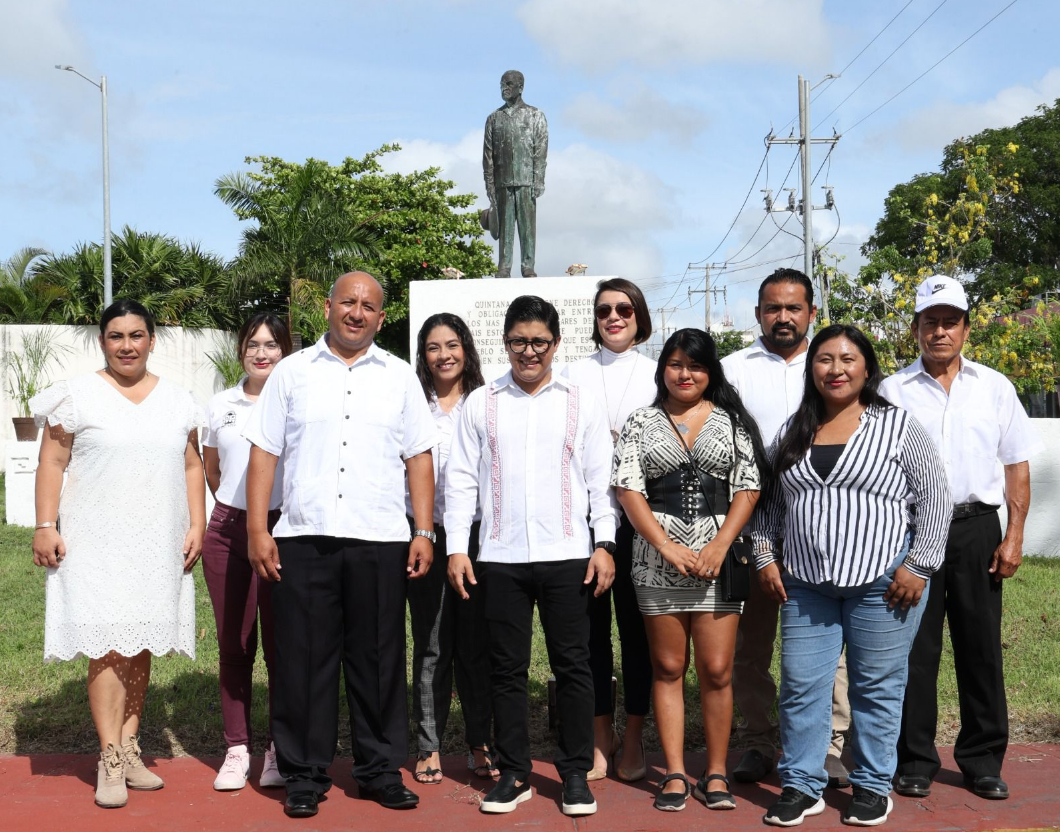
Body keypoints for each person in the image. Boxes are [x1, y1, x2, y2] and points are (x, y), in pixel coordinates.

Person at [243, 272, 438, 819]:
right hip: (304, 537)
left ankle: (378, 770)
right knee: (305, 659)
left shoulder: (399, 377)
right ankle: (304, 773)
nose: (357, 312)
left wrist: (423, 530)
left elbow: (419, 455)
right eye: (348, 302)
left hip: (379, 538)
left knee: (377, 658)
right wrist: (258, 529)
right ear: (328, 307)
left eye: (369, 306)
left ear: (382, 317)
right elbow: (265, 451)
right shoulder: (292, 372)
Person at [753, 325, 951, 827]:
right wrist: (763, 556)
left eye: (847, 359)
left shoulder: (898, 426)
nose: (835, 369)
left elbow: (934, 499)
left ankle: (871, 784)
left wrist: (918, 565)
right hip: (806, 584)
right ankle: (801, 783)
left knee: (876, 686)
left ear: (866, 368)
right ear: (811, 368)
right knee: (800, 685)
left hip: (884, 583)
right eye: (823, 359)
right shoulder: (793, 430)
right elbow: (771, 504)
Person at [445, 295, 617, 817]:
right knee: (506, 668)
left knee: (574, 665)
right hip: (500, 557)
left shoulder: (581, 400)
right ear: (505, 343)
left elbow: (599, 480)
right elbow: (461, 482)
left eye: (539, 342)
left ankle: (573, 774)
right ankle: (515, 772)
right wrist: (457, 547)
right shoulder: (481, 403)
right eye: (519, 341)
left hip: (569, 555)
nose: (529, 351)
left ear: (556, 344)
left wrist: (604, 544)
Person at [30, 299, 205, 809]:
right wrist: (45, 525)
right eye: (115, 336)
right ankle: (108, 755)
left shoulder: (179, 400)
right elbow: (52, 460)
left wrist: (196, 522)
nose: (126, 345)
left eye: (136, 335)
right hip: (94, 541)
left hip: (158, 540)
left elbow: (192, 465)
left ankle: (130, 746)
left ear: (152, 339)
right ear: (102, 341)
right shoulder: (75, 397)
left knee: (141, 641)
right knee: (107, 644)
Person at [883, 276, 1042, 802]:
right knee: (914, 650)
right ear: (916, 329)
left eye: (951, 321)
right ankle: (915, 761)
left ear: (966, 329)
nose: (941, 331)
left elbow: (1016, 464)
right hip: (911, 533)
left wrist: (1014, 536)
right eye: (931, 321)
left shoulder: (994, 387)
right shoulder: (890, 391)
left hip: (977, 530)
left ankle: (982, 760)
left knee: (979, 648)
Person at [613, 328, 765, 813]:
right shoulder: (640, 422)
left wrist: (721, 545)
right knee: (668, 667)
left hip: (718, 561)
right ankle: (676, 772)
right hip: (656, 562)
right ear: (663, 370)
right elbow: (628, 489)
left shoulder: (734, 422)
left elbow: (748, 486)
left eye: (696, 366)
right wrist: (665, 546)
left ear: (710, 371)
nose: (685, 374)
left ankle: (716, 771)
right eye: (676, 364)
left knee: (718, 670)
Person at [722, 267, 853, 788]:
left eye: (793, 308)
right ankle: (757, 741)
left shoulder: (833, 367)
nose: (783, 317)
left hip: (822, 531)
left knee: (829, 646)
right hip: (750, 528)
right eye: (773, 308)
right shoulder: (732, 370)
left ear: (812, 313)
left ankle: (831, 747)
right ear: (758, 314)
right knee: (749, 647)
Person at [563, 277, 657, 783]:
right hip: (585, 522)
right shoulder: (572, 372)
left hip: (643, 524)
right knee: (590, 637)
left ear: (639, 315)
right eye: (604, 310)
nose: (614, 317)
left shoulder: (656, 372)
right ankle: (602, 740)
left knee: (638, 636)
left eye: (624, 308)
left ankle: (635, 738)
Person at [201, 313, 293, 791]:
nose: (262, 352)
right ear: (241, 351)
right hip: (227, 531)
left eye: (272, 344)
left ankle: (279, 750)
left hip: (284, 531)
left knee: (282, 647)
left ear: (286, 350)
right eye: (254, 344)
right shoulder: (221, 404)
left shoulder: (299, 402)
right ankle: (237, 749)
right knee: (235, 645)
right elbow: (213, 470)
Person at [407, 313, 496, 785]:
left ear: (467, 349)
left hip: (480, 536)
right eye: (433, 347)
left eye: (452, 345)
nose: (444, 355)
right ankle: (429, 745)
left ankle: (480, 742)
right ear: (422, 355)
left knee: (476, 646)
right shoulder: (412, 404)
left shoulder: (485, 403)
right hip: (425, 534)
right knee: (433, 644)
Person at [482, 69, 548, 278]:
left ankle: (528, 265)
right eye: (502, 84)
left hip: (526, 180)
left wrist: (538, 180)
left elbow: (541, 149)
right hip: (502, 182)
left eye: (509, 84)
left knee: (527, 227)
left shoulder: (535, 115)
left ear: (520, 87)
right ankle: (504, 266)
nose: (505, 87)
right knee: (504, 227)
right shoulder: (494, 118)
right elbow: (488, 156)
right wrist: (490, 186)